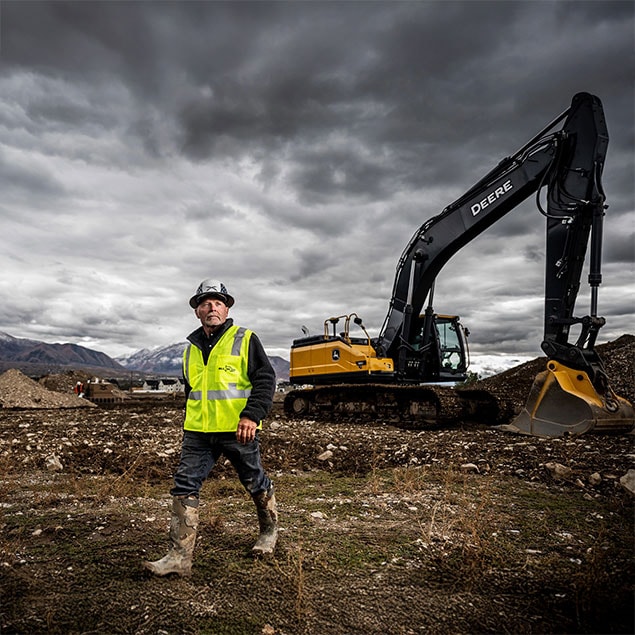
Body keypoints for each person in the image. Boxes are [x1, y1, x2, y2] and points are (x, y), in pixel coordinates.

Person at [144, 279, 278, 577]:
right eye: (206, 303)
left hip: (237, 430)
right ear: (197, 311)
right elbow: (193, 390)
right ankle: (179, 557)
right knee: (184, 486)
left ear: (226, 308)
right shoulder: (190, 349)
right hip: (198, 433)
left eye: (218, 302)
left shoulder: (245, 338)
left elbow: (266, 379)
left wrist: (251, 416)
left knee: (254, 481)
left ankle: (269, 532)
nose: (212, 307)